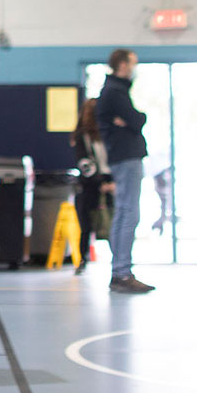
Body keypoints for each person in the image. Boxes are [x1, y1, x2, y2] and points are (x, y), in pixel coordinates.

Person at [96, 49, 153, 293]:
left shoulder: (114, 92)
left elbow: (132, 120)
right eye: (133, 63)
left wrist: (129, 121)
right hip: (127, 158)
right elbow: (139, 120)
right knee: (129, 213)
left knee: (123, 213)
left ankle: (120, 271)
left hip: (123, 157)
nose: (135, 68)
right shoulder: (115, 93)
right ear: (123, 65)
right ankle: (121, 272)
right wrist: (134, 119)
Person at [71, 99, 112, 275]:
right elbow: (85, 163)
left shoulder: (107, 133)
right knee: (86, 223)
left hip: (109, 181)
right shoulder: (82, 136)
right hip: (90, 184)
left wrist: (111, 183)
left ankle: (119, 260)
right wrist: (99, 182)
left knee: (110, 221)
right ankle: (82, 258)